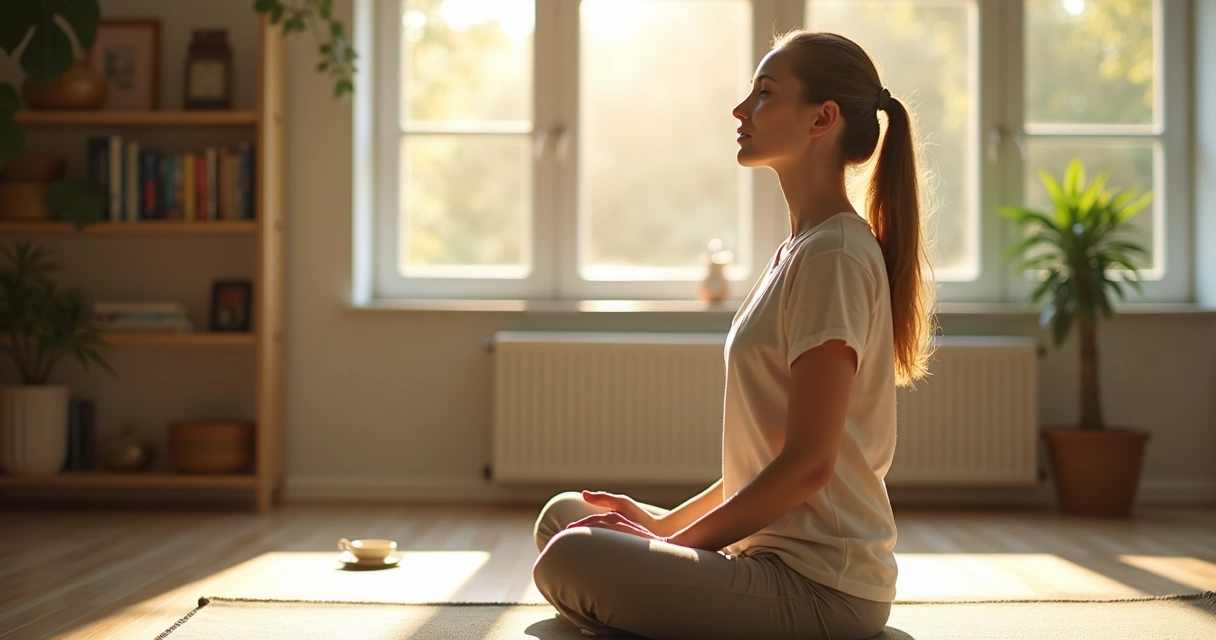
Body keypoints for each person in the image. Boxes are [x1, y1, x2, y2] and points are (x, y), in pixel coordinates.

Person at [531, 29, 937, 640]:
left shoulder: (836, 255)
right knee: (566, 517)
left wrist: (669, 543)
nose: (741, 110)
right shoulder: (800, 249)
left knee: (571, 557)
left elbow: (807, 466)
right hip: (762, 558)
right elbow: (764, 463)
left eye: (766, 93)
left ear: (822, 118)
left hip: (823, 588)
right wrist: (661, 530)